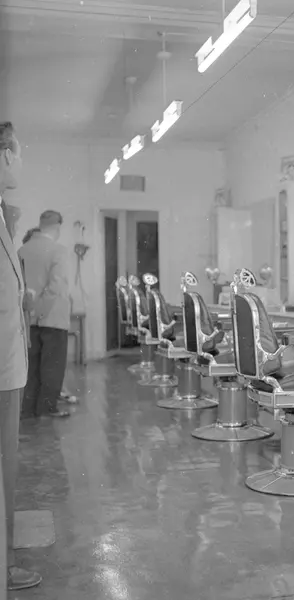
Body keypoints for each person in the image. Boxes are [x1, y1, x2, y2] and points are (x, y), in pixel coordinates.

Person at [0, 121, 42, 591]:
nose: (19, 160)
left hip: (9, 366)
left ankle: (5, 557)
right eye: (16, 151)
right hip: (2, 367)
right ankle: (3, 565)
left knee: (6, 469)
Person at [19, 210, 71, 419]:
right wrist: (40, 311)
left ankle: (29, 408)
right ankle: (47, 408)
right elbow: (55, 287)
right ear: (57, 227)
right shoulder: (59, 251)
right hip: (53, 318)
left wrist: (31, 311)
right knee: (52, 366)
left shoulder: (22, 251)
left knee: (31, 366)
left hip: (28, 319)